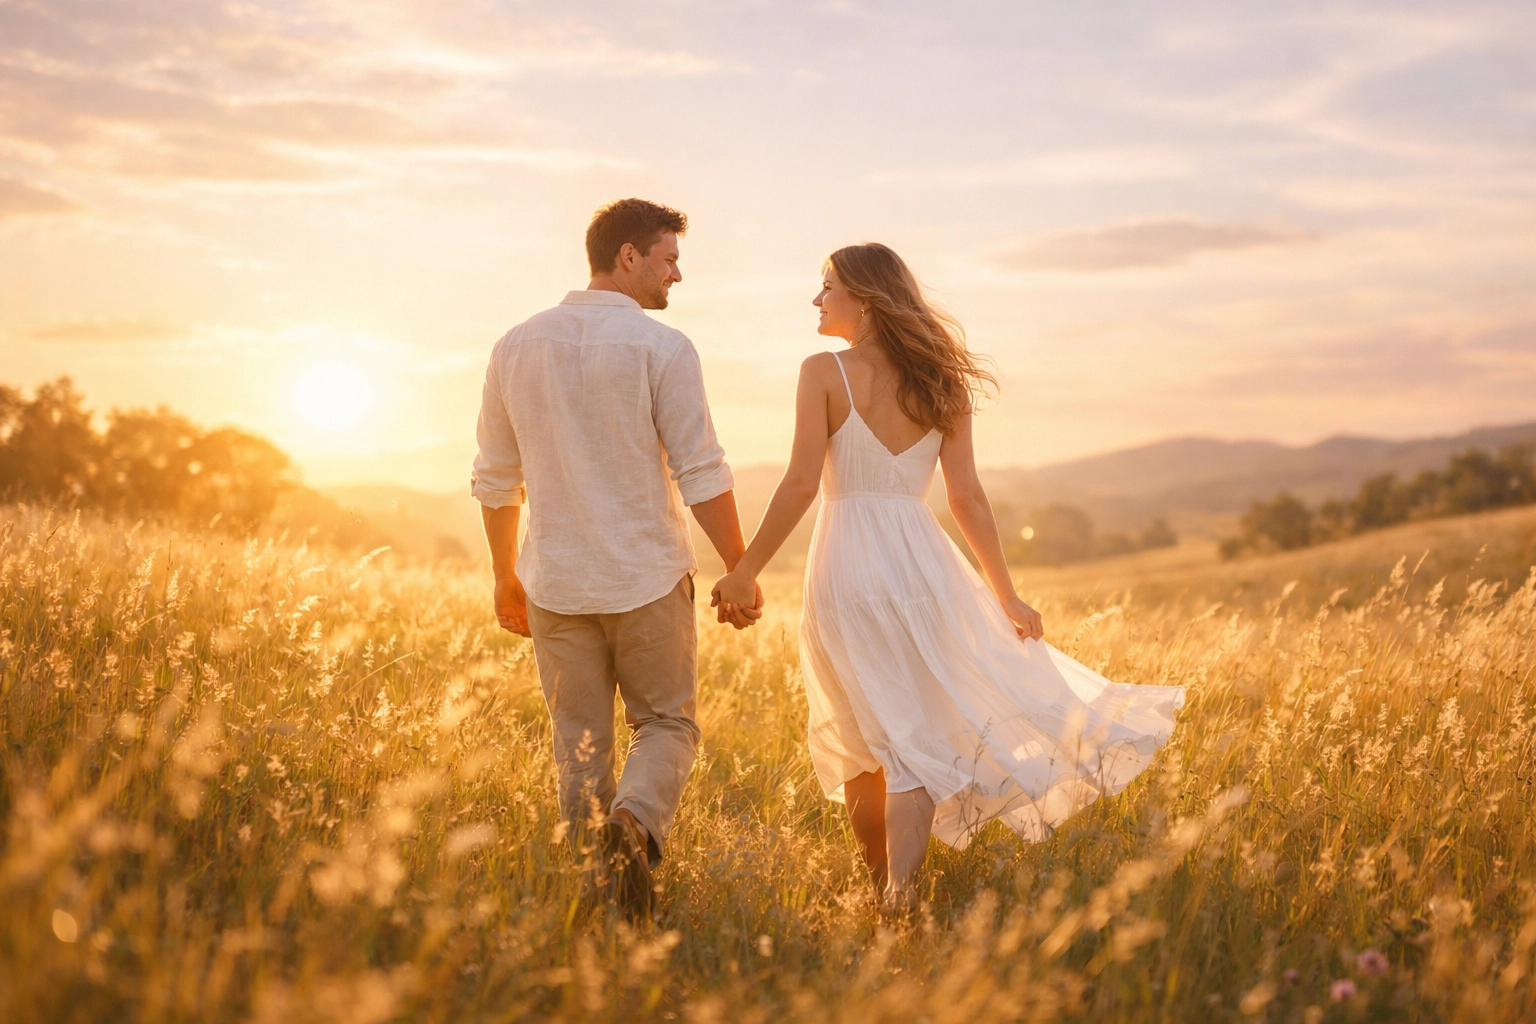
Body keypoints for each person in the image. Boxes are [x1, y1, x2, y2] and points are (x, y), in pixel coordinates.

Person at [712, 243, 1184, 907]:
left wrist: (744, 571)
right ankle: (897, 898)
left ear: (866, 299)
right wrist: (1005, 594)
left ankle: (889, 895)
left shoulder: (822, 371)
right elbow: (967, 500)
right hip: (922, 564)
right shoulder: (942, 380)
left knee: (862, 740)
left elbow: (797, 484)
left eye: (827, 287)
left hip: (847, 567)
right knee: (908, 738)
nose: (817, 300)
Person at [472, 198, 763, 918]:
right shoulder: (662, 348)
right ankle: (633, 828)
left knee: (579, 743)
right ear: (627, 257)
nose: (678, 274)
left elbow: (494, 477)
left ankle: (597, 900)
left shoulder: (514, 345)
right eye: (668, 258)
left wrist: (506, 575)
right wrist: (740, 566)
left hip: (557, 583)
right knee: (667, 725)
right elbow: (702, 470)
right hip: (646, 580)